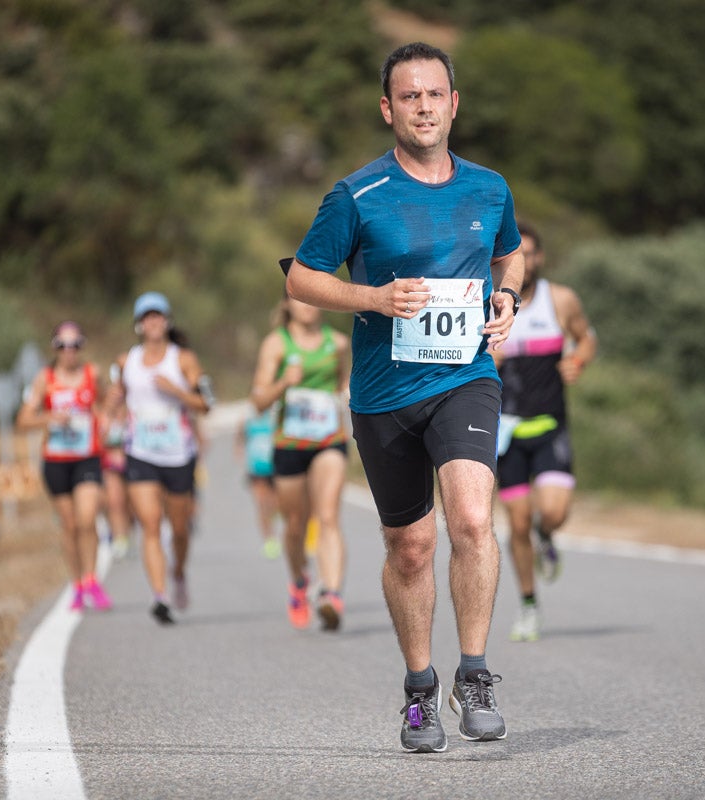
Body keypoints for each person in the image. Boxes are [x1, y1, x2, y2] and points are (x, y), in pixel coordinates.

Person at [284, 42, 524, 753]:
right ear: (388, 108)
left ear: (455, 104)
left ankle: (474, 677)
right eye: (409, 96)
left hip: (465, 378)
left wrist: (507, 294)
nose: (424, 107)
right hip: (384, 392)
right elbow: (300, 278)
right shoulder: (356, 195)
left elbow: (511, 251)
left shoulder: (489, 188)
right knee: (411, 546)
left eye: (435, 94)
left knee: (473, 521)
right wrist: (374, 297)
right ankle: (420, 692)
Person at [493, 221, 597, 642]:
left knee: (552, 512)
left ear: (540, 258)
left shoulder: (560, 300)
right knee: (516, 524)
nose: (526, 261)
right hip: (505, 433)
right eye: (517, 254)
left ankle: (547, 534)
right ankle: (529, 606)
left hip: (551, 426)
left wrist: (578, 360)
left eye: (531, 254)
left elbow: (586, 338)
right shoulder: (488, 304)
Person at [250, 291, 351, 631]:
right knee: (294, 525)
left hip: (328, 441)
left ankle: (332, 594)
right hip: (290, 444)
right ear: (287, 305)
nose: (308, 305)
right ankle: (298, 582)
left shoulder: (337, 343)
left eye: (313, 298)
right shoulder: (276, 345)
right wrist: (283, 383)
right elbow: (259, 402)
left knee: (328, 516)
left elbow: (344, 387)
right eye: (300, 298)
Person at [109, 292, 211, 625]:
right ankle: (159, 595)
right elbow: (115, 398)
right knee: (150, 523)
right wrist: (106, 414)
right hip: (140, 452)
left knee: (179, 529)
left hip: (179, 454)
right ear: (139, 324)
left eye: (158, 315)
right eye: (147, 316)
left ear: (167, 320)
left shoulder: (184, 359)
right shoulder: (126, 362)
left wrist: (177, 391)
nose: (153, 322)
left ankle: (178, 573)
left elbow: (205, 404)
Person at [16, 322, 113, 612]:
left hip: (87, 457)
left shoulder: (92, 374)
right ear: (54, 348)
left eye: (74, 345)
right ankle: (77, 584)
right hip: (56, 461)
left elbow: (108, 403)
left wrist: (105, 419)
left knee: (87, 518)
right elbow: (23, 420)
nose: (69, 351)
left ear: (81, 347)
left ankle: (93, 578)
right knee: (69, 526)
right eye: (62, 345)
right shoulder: (44, 380)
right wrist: (49, 418)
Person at [236, 404, 282, 560]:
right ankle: (269, 540)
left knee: (276, 504)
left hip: (275, 466)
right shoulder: (248, 415)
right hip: (256, 467)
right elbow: (240, 435)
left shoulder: (277, 412)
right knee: (261, 504)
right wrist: (240, 449)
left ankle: (274, 517)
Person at [100, 368, 133, 560]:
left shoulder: (131, 413)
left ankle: (129, 528)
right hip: (110, 463)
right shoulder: (102, 415)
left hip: (131, 461)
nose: (116, 398)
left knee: (131, 502)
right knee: (115, 501)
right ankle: (119, 536)